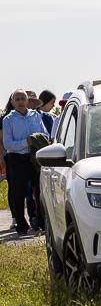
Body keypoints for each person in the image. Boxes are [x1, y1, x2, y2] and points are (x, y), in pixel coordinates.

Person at [3, 90, 44, 235]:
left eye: (23, 99)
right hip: (17, 159)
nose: (20, 101)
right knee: (18, 193)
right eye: (17, 99)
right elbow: (8, 144)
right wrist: (26, 142)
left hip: (34, 158)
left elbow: (44, 134)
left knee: (38, 191)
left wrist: (37, 140)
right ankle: (21, 224)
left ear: (27, 101)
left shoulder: (36, 116)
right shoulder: (8, 120)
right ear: (13, 102)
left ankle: (40, 222)